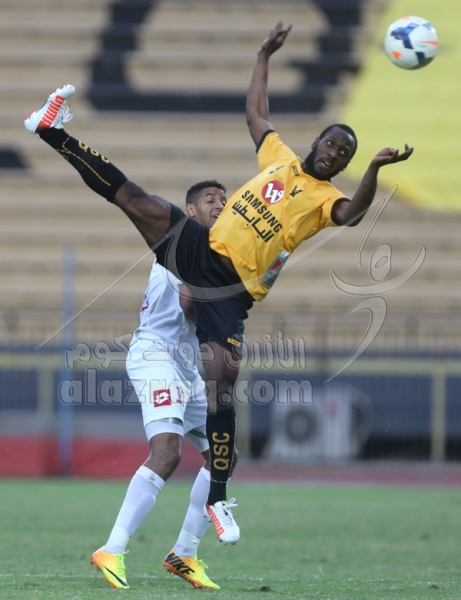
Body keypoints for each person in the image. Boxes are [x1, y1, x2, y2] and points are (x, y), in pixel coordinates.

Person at [24, 22, 413, 545]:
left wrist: (374, 170)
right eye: (332, 144)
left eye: (344, 154)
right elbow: (256, 114)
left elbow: (353, 214)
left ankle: (218, 499)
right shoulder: (278, 158)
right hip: (204, 251)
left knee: (221, 384)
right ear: (317, 141)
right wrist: (263, 55)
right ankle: (52, 130)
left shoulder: (325, 200)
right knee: (135, 199)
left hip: (233, 293)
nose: (335, 153)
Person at [90, 180, 238, 590]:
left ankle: (184, 553)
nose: (220, 204)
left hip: (183, 364)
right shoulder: (182, 244)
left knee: (224, 456)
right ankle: (112, 549)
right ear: (190, 211)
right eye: (210, 199)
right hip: (156, 356)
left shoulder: (214, 253)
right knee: (168, 453)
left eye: (224, 200)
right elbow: (191, 303)